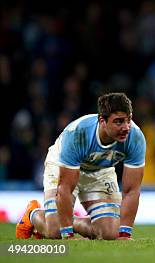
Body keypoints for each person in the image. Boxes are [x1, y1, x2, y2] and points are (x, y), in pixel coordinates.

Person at [16, 93, 146, 240]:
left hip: (100, 171)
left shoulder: (135, 138)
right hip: (62, 166)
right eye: (119, 122)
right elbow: (64, 188)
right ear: (102, 121)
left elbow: (132, 191)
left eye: (128, 120)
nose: (126, 127)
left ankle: (72, 222)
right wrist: (68, 234)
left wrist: (124, 234)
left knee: (110, 233)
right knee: (54, 231)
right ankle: (32, 214)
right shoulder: (78, 134)